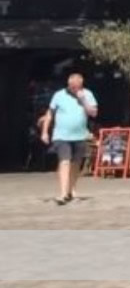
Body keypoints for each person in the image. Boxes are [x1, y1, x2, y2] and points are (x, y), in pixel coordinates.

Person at [39, 72, 97, 205]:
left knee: (76, 164)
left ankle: (72, 189)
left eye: (78, 87)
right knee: (64, 161)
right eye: (73, 87)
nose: (75, 89)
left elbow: (93, 113)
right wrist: (45, 132)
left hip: (79, 135)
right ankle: (63, 193)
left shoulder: (87, 94)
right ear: (68, 85)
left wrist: (83, 100)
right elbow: (50, 113)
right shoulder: (59, 95)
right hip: (61, 135)